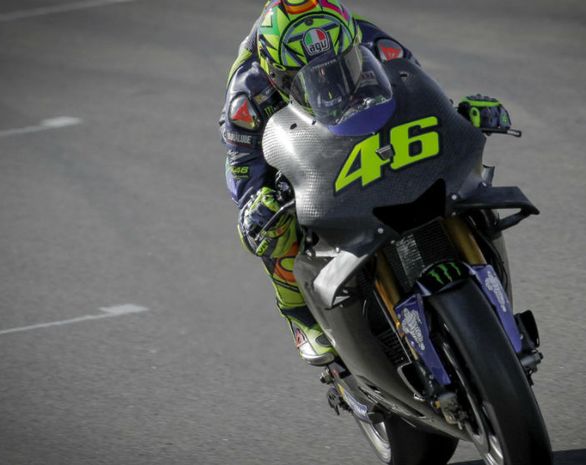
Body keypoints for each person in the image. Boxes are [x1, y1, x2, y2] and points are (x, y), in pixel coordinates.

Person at [219, 0, 511, 366]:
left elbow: (417, 92)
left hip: (369, 128)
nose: (326, 82)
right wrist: (256, 204)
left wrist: (460, 115)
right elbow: (243, 167)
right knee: (269, 230)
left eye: (339, 64)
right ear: (276, 73)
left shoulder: (371, 39)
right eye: (306, 76)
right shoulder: (247, 96)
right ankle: (299, 315)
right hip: (302, 150)